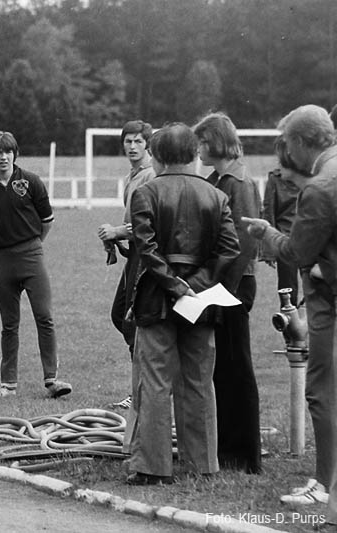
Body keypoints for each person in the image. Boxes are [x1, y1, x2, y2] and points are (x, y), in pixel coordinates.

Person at [124, 123, 240, 485]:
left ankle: (153, 467)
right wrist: (195, 286)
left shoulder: (146, 193)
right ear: (193, 154)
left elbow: (146, 248)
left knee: (155, 382)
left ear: (157, 155)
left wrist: (176, 286)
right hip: (202, 302)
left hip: (157, 300)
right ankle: (203, 463)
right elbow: (230, 250)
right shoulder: (215, 195)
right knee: (199, 381)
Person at [242, 104, 337, 512]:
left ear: (299, 142)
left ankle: (325, 483)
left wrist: (267, 234)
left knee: (322, 391)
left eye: (287, 143)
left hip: (328, 302)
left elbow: (297, 252)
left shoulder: (319, 188)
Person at [0, 130, 72, 398]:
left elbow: (47, 220)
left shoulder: (31, 181)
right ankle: (8, 384)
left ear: (15, 154)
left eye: (8, 151)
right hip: (1, 260)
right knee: (9, 324)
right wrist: (2, 245)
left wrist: (32, 244)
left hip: (32, 255)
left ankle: (52, 380)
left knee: (44, 317)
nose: (3, 157)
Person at [193, 112, 262, 475]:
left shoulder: (239, 182)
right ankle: (226, 445)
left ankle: (246, 454)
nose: (199, 149)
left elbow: (245, 242)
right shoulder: (217, 179)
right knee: (222, 367)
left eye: (203, 142)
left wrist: (223, 290)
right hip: (219, 285)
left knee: (237, 367)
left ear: (217, 142)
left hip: (233, 284)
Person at [97, 120, 155, 410]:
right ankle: (144, 385)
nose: (132, 147)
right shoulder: (133, 175)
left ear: (148, 144)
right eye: (128, 141)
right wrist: (118, 241)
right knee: (121, 316)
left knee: (131, 320)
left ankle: (143, 390)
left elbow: (148, 223)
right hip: (135, 255)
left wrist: (118, 232)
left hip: (146, 258)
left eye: (138, 141)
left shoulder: (150, 175)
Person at [262, 140, 307, 308]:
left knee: (316, 286)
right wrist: (269, 250)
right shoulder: (275, 179)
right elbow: (269, 211)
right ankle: (289, 320)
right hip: (284, 241)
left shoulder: (311, 178)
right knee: (287, 289)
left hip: (310, 240)